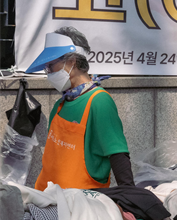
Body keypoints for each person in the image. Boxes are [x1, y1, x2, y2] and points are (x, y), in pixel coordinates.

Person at [25, 27, 134, 190]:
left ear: (72, 61)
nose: (48, 73)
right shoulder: (60, 104)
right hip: (46, 196)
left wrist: (130, 196)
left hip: (81, 201)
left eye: (51, 66)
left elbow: (117, 153)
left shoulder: (99, 101)